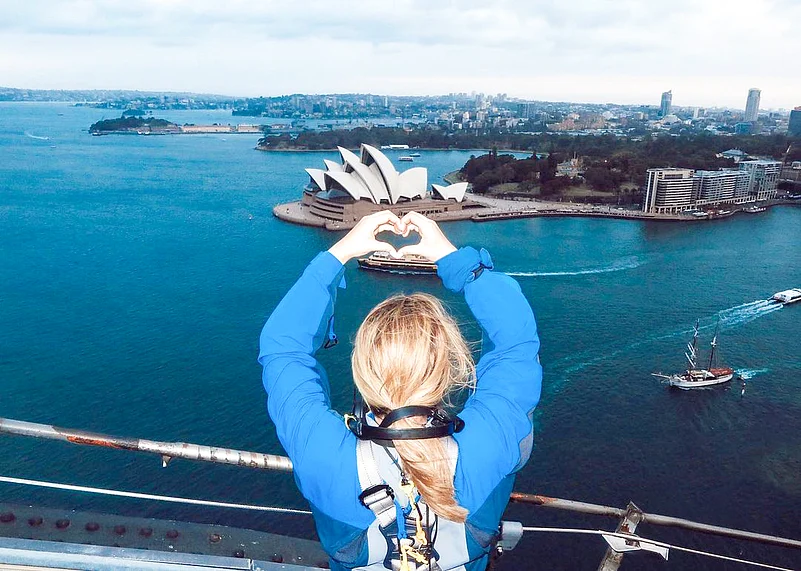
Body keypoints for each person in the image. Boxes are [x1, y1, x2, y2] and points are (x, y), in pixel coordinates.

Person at [259, 211, 542, 570]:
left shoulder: (321, 453)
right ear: (449, 369)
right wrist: (459, 262)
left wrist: (337, 255)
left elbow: (284, 350)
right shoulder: (492, 442)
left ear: (362, 369)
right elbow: (516, 345)